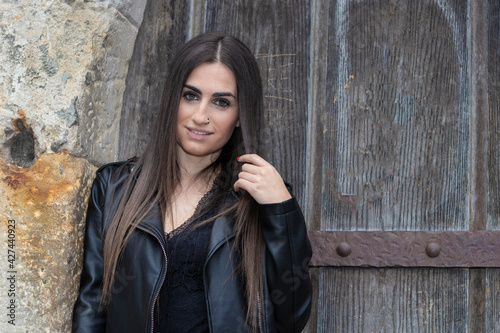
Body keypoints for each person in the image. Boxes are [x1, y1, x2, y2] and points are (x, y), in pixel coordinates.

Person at [72, 32, 312, 333]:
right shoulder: (114, 186)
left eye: (221, 103)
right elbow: (92, 306)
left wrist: (282, 211)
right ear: (173, 99)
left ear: (240, 115)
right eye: (190, 96)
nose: (201, 116)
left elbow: (292, 317)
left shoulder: (262, 196)